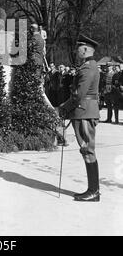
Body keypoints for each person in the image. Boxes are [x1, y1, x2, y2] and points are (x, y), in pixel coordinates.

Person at [60, 34, 101, 202]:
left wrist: (63, 108)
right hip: (85, 111)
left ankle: (93, 191)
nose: (76, 51)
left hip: (84, 112)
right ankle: (93, 190)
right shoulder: (88, 66)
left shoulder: (88, 68)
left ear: (85, 49)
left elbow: (79, 95)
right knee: (87, 150)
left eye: (79, 48)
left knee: (87, 150)